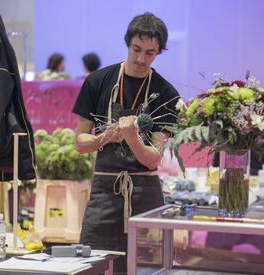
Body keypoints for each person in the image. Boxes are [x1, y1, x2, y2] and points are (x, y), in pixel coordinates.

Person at [72, 12, 179, 274]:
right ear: (127, 43)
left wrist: (131, 136)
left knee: (148, 266)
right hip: (104, 190)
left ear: (158, 52)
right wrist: (108, 135)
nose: (141, 59)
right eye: (136, 49)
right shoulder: (98, 81)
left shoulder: (166, 94)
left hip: (145, 193)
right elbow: (80, 142)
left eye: (150, 53)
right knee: (91, 263)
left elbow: (153, 158)